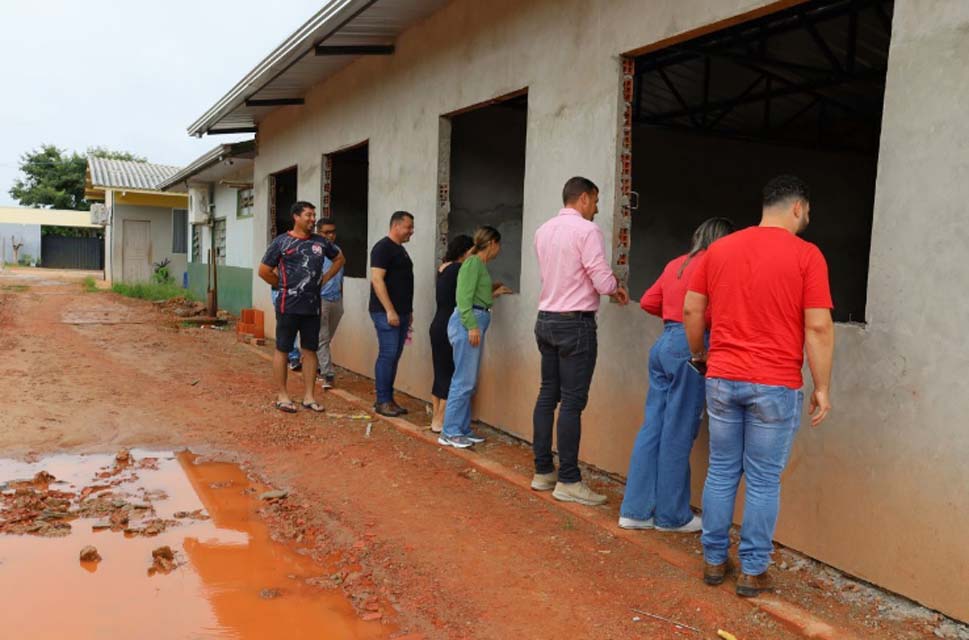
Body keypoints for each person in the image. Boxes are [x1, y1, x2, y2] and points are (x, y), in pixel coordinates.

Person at [684, 175, 834, 597]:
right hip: (775, 383)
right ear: (799, 208)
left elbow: (693, 309)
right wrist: (822, 387)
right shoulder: (807, 255)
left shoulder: (719, 250)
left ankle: (714, 560)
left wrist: (701, 355)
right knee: (764, 480)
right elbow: (819, 326)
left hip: (723, 378)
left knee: (721, 470)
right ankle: (752, 570)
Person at [618, 218, 735, 534]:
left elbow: (648, 301)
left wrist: (672, 319)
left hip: (664, 345)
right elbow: (711, 311)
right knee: (679, 431)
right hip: (691, 347)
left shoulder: (676, 264)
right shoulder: (716, 266)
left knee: (653, 426)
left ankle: (635, 511)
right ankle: (671, 516)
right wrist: (696, 336)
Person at [532, 176, 630, 505]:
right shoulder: (587, 231)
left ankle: (543, 471)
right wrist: (615, 284)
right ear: (584, 198)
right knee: (573, 403)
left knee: (548, 395)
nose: (598, 208)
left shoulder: (543, 230)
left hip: (545, 319)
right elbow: (599, 277)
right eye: (597, 201)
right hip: (575, 324)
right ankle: (569, 480)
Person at [258, 201, 345, 413]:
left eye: (314, 215)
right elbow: (264, 270)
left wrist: (325, 279)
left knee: (310, 350)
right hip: (288, 306)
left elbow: (339, 259)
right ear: (296, 217)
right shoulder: (282, 242)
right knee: (283, 349)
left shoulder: (320, 242)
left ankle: (308, 396)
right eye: (308, 215)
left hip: (312, 308)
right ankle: (283, 395)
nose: (312, 219)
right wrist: (281, 285)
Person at [437, 227, 512, 448]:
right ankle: (449, 431)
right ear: (492, 244)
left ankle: (461, 429)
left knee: (467, 379)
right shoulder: (472, 263)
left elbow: (476, 293)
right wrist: (471, 326)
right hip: (467, 323)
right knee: (463, 379)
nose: (499, 249)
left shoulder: (477, 264)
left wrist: (492, 293)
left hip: (474, 321)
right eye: (499, 245)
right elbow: (463, 298)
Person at [370, 211, 415, 417]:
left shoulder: (400, 250)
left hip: (401, 313)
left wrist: (408, 311)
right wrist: (390, 310)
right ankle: (382, 401)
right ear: (396, 226)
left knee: (394, 356)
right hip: (386, 313)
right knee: (388, 355)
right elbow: (377, 280)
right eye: (408, 227)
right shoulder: (382, 248)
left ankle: (388, 399)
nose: (411, 231)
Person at [429, 234, 475, 433]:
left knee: (440, 371)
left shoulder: (443, 268)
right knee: (453, 373)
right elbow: (468, 296)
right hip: (451, 324)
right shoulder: (460, 270)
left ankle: (435, 416)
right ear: (465, 252)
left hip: (437, 323)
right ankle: (440, 421)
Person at [316, 219, 344, 390]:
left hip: (336, 299)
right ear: (319, 232)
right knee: (322, 338)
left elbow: (340, 276)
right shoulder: (314, 251)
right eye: (326, 232)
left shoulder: (337, 251)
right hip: (320, 299)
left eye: (333, 232)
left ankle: (317, 364)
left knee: (325, 338)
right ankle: (328, 374)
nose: (330, 235)